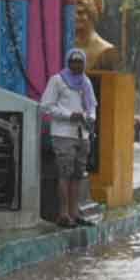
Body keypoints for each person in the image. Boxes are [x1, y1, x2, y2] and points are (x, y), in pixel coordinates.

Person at [41, 49, 98, 228]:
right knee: (64, 174)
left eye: (80, 61)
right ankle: (63, 214)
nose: (77, 65)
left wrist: (90, 117)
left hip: (83, 134)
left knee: (77, 176)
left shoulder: (86, 82)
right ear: (68, 62)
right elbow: (46, 106)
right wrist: (68, 115)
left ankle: (75, 213)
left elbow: (92, 106)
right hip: (63, 134)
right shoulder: (57, 81)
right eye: (73, 61)